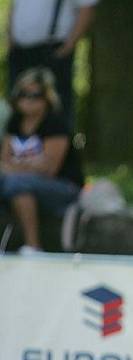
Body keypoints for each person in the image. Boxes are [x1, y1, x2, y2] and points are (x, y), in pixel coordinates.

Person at [0, 68, 84, 254]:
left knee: (16, 183)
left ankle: (33, 245)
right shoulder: (14, 123)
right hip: (26, 182)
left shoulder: (55, 124)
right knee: (13, 182)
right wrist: (27, 165)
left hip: (64, 188)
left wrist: (15, 167)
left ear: (47, 96)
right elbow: (3, 161)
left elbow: (49, 168)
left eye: (35, 94)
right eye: (23, 93)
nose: (28, 99)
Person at [7, 0, 98, 128]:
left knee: (55, 109)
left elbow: (87, 7)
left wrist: (67, 47)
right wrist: (10, 42)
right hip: (19, 52)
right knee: (19, 107)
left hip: (52, 51)